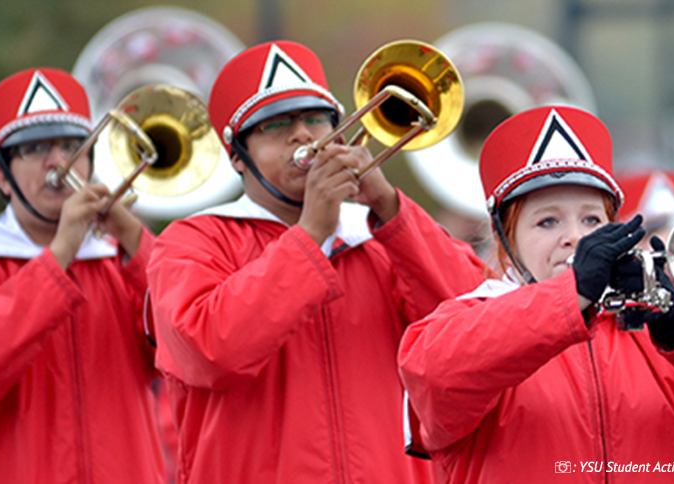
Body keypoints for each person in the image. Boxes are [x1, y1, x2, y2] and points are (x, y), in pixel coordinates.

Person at [146, 40, 493, 484]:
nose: (303, 135)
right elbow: (210, 351)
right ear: (237, 155)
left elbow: (477, 324)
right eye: (275, 126)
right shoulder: (192, 240)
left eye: (315, 119)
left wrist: (391, 210)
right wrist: (310, 233)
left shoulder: (382, 235)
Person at [398, 105, 674, 483]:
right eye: (547, 221)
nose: (576, 238)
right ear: (505, 239)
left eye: (592, 220)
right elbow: (434, 378)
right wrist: (572, 296)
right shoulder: (465, 320)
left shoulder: (661, 334)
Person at [0, 68, 165, 483]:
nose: (60, 162)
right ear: (2, 177)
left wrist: (134, 240)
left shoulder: (116, 258)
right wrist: (60, 253)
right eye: (35, 149)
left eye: (74, 146)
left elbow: (186, 344)